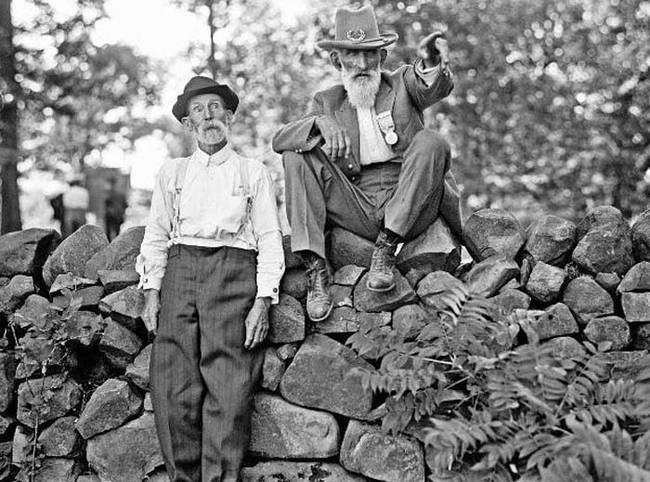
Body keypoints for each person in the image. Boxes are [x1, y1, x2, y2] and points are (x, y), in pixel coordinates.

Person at [272, 5, 463, 322]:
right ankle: (316, 271)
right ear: (337, 61)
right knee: (296, 154)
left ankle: (386, 249)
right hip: (356, 203)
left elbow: (433, 85)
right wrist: (320, 123)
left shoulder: (402, 84)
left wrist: (432, 61)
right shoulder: (327, 101)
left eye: (369, 54)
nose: (361, 64)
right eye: (351, 55)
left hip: (410, 197)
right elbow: (280, 139)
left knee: (433, 141)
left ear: (382, 57)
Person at [136, 75, 285, 482]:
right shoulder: (173, 173)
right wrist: (151, 291)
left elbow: (270, 238)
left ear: (230, 116)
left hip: (234, 273)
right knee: (172, 389)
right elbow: (155, 235)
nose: (208, 116)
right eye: (198, 110)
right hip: (180, 272)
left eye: (216, 107)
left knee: (230, 389)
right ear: (187, 124)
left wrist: (263, 300)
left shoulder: (252, 171)